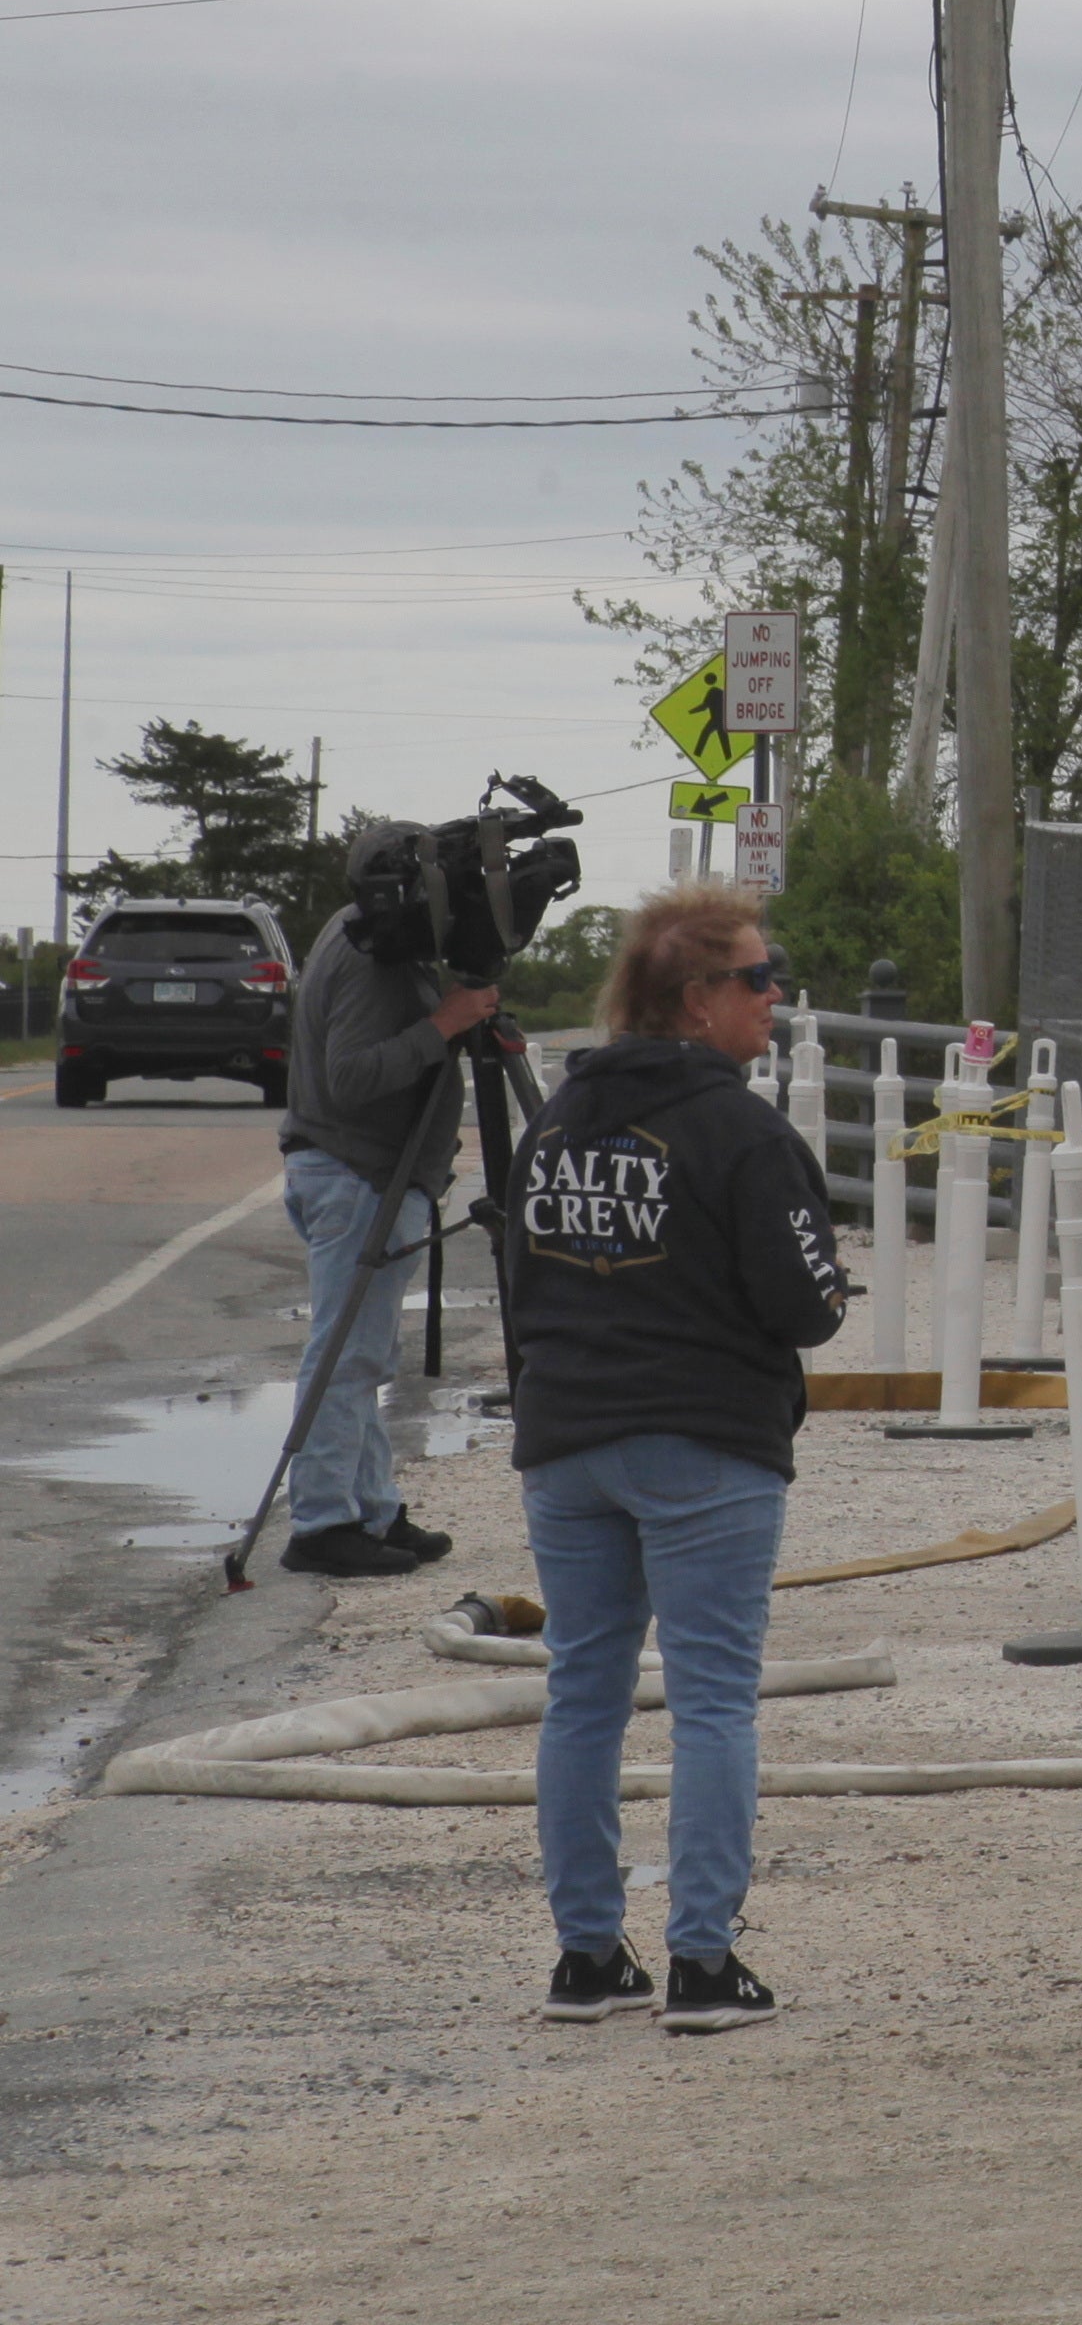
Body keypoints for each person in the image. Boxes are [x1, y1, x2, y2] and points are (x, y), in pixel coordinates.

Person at [506, 881, 848, 2032]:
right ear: (696, 1000)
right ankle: (703, 1961)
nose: (776, 994)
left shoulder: (552, 1121)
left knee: (582, 1696)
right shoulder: (744, 1131)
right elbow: (807, 1308)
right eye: (757, 976)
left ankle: (585, 1957)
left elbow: (521, 1281)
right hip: (705, 1445)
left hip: (566, 1444)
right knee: (711, 1702)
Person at [272, 836, 486, 1579]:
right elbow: (352, 1076)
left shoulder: (373, 930)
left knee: (364, 1352)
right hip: (356, 1172)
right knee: (345, 1352)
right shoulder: (372, 955)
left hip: (360, 1172)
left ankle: (372, 1508)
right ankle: (323, 1523)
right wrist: (444, 1026)